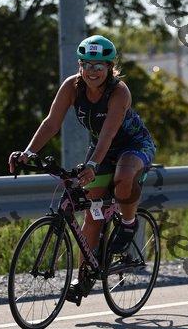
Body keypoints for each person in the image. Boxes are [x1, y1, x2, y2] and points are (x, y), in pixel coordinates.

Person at [8, 34, 156, 300]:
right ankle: (85, 275)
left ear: (110, 67)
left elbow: (109, 134)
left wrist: (92, 164)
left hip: (133, 145)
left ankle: (129, 223)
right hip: (101, 148)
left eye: (99, 66)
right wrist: (28, 152)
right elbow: (51, 123)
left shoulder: (119, 92)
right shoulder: (71, 86)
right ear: (80, 65)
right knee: (92, 214)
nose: (92, 71)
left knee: (123, 175)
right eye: (86, 64)